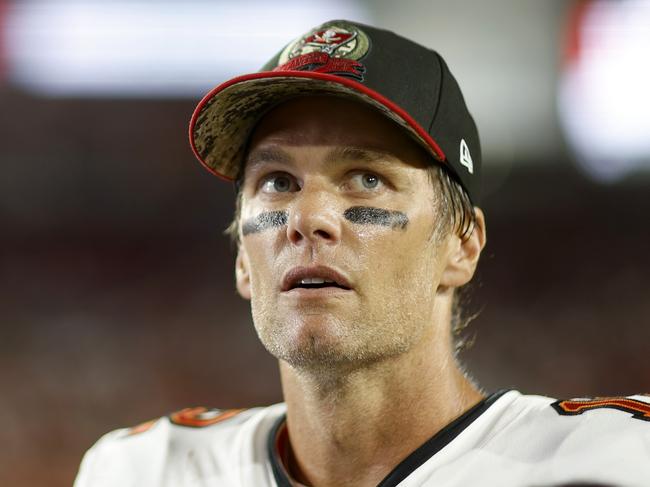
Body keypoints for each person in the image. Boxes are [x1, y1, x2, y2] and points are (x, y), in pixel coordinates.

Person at [74, 20, 650, 487]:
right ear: (243, 260)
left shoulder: (618, 460)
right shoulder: (141, 471)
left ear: (462, 244)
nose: (307, 217)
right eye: (276, 181)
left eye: (366, 178)